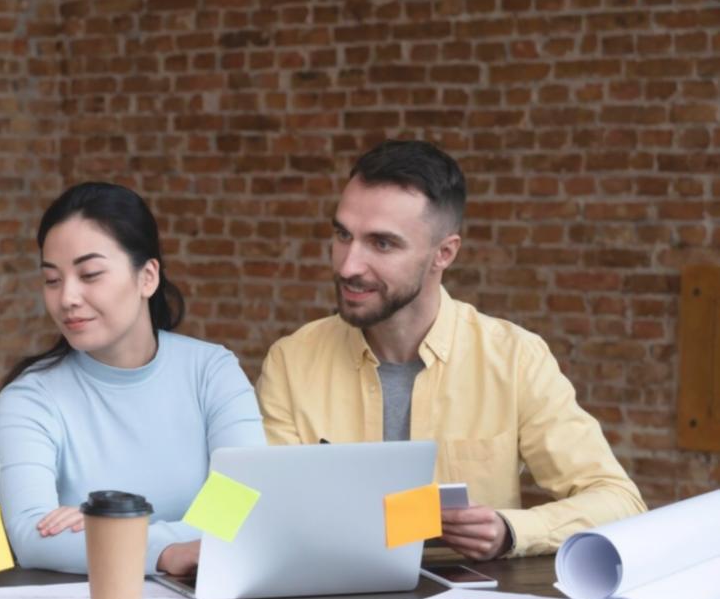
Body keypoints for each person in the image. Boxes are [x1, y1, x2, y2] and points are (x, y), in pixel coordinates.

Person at [257, 140, 646, 559]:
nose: (348, 265)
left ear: (444, 253)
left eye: (382, 243)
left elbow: (619, 501)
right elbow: (252, 497)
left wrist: (510, 530)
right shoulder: (291, 360)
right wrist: (194, 542)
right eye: (342, 235)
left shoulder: (514, 359)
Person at [0, 182, 266, 577]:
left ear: (147, 277)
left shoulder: (213, 372)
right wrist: (166, 553)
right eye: (52, 280)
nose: (67, 297)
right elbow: (31, 537)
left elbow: (241, 504)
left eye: (90, 274)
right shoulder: (29, 398)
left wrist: (109, 533)